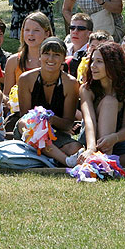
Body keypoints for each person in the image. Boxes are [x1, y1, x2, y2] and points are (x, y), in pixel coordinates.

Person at [15, 37, 81, 166]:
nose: (50, 59)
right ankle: (65, 161)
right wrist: (40, 121)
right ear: (40, 56)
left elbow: (68, 124)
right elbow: (24, 116)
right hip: (28, 131)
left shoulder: (70, 83)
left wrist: (52, 120)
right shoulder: (26, 79)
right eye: (46, 54)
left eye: (56, 55)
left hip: (55, 134)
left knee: (75, 148)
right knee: (25, 123)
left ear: (63, 59)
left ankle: (50, 156)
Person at [3, 11, 53, 97]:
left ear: (46, 34)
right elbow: (7, 94)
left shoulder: (54, 60)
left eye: (36, 30)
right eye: (27, 30)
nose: (31, 34)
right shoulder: (13, 61)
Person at [64, 13, 93, 78]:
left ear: (89, 34)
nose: (75, 31)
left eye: (80, 29)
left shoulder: (91, 52)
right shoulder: (63, 49)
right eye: (72, 28)